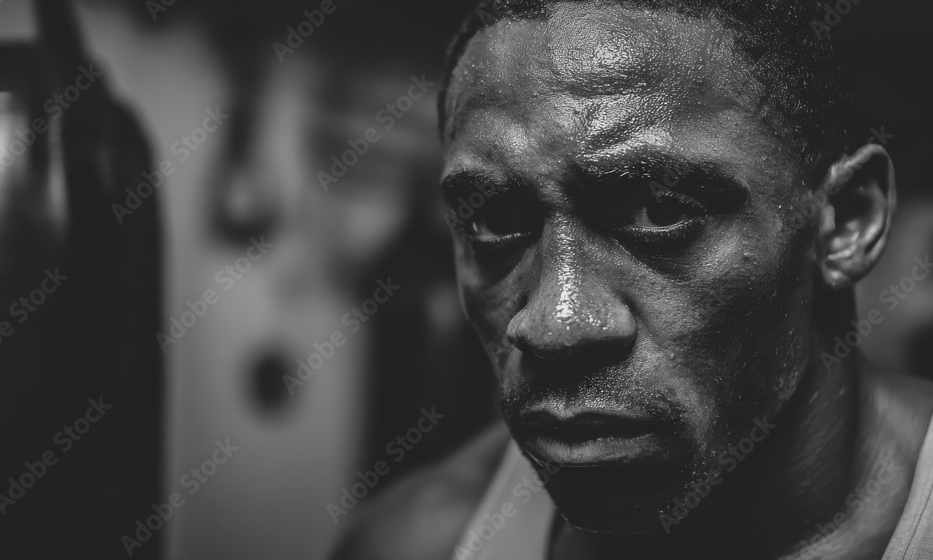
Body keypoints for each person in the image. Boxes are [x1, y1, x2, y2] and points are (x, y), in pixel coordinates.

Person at [331, 1, 933, 558]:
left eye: (661, 213)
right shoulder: (418, 542)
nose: (555, 324)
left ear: (846, 222)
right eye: (495, 222)